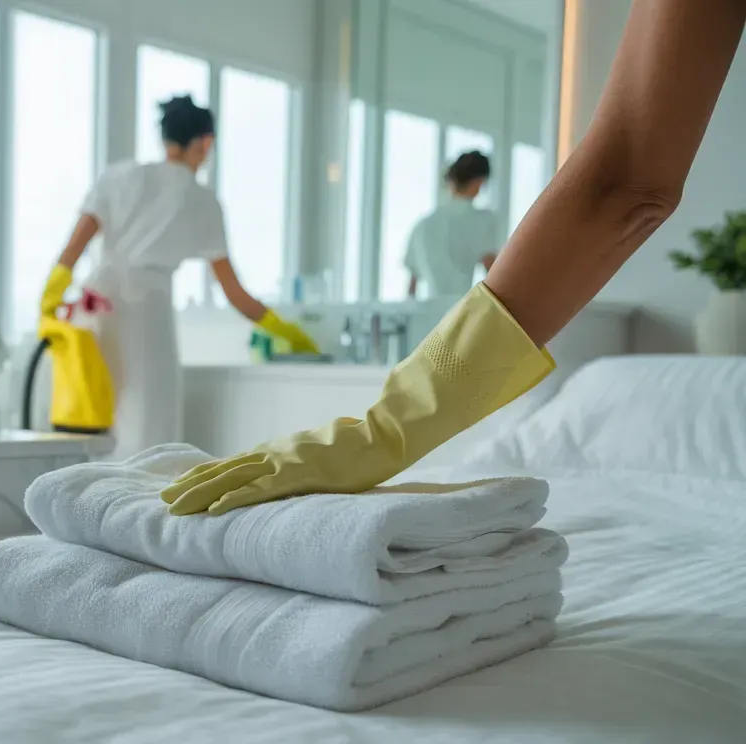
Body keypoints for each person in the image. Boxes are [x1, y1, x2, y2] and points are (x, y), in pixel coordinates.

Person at [163, 0, 746, 516]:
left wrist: (391, 427)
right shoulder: (480, 220)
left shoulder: (423, 223)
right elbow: (621, 188)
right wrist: (390, 424)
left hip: (461, 329)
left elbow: (627, 183)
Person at [40, 95, 319, 458]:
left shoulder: (119, 176)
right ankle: (136, 510)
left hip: (93, 304)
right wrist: (287, 331)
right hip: (144, 309)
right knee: (149, 426)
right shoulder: (201, 200)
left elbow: (74, 246)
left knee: (95, 413)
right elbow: (233, 291)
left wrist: (51, 293)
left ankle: (87, 505)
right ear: (206, 143)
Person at [404, 151, 499, 300]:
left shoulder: (422, 225)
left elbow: (411, 288)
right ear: (479, 182)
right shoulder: (482, 220)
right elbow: (493, 273)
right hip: (462, 311)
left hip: (428, 315)